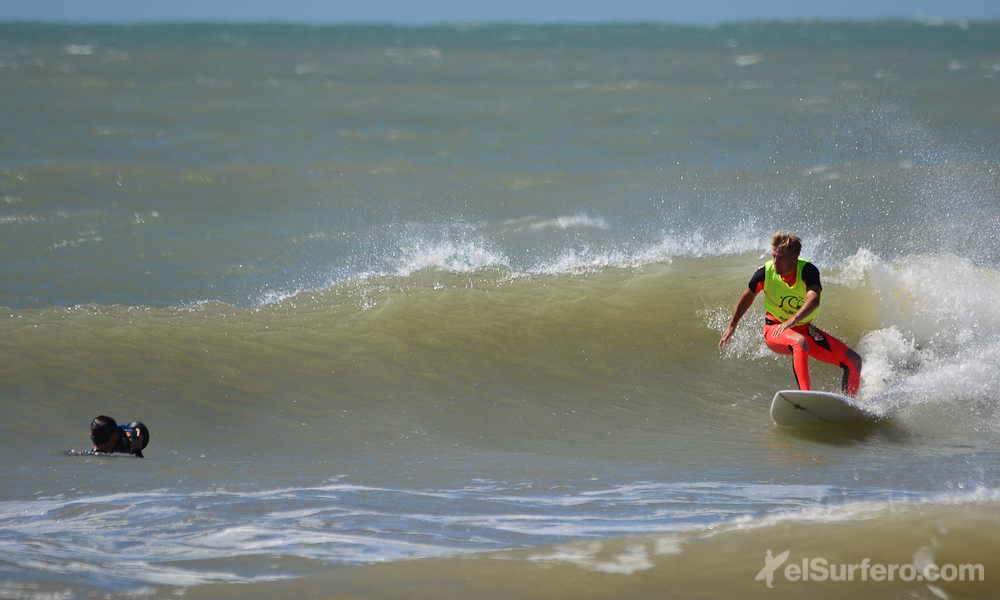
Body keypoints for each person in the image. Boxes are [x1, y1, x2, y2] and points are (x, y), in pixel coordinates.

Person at [718, 231, 863, 397]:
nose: (775, 262)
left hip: (803, 328)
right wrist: (732, 325)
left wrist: (793, 320)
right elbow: (748, 296)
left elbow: (814, 300)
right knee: (799, 342)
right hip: (775, 328)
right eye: (774, 256)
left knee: (854, 361)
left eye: (781, 258)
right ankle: (805, 398)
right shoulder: (765, 273)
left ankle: (849, 403)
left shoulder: (808, 271)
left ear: (794, 258)